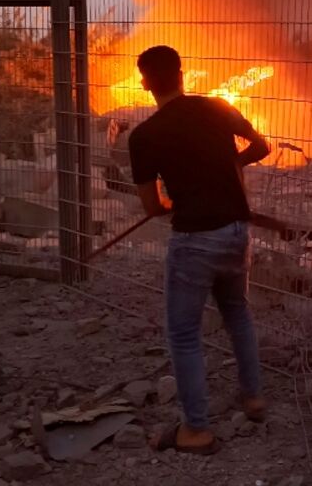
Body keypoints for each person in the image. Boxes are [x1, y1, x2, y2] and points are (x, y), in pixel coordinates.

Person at [127, 45, 272, 455]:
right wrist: (231, 167)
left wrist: (175, 200)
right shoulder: (216, 107)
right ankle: (254, 397)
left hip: (194, 241)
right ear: (181, 73)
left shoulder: (145, 136)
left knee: (184, 334)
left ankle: (196, 429)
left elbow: (152, 207)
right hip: (236, 231)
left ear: (145, 82)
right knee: (238, 314)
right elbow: (261, 146)